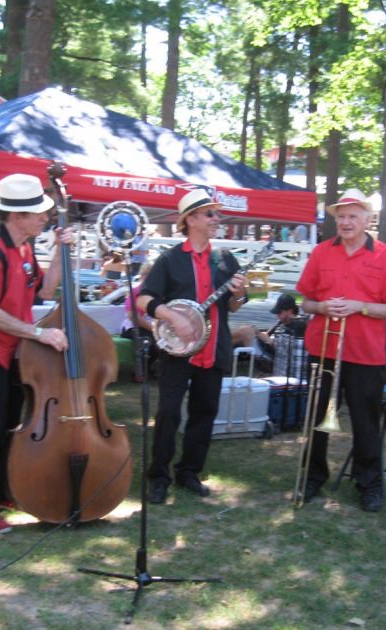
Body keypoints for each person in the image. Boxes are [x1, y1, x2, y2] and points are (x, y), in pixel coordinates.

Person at [0, 173, 73, 534]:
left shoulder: (24, 248)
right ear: (15, 215)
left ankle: (1, 491)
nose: (45, 217)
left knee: (9, 424)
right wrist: (39, 333)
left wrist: (59, 252)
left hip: (12, 350)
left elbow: (45, 291)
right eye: (37, 213)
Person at [136, 188, 248, 504]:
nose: (217, 219)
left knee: (205, 413)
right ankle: (159, 477)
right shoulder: (170, 260)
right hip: (176, 351)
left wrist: (239, 292)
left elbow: (235, 307)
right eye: (210, 214)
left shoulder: (226, 259)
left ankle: (189, 472)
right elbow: (144, 299)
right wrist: (172, 315)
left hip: (214, 349)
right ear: (191, 219)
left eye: (216, 213)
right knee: (169, 412)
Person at [295, 188, 386, 511]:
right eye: (341, 216)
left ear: (368, 220)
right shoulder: (321, 252)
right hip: (324, 349)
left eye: (353, 216)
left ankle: (368, 483)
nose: (346, 222)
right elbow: (305, 302)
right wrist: (323, 306)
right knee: (316, 419)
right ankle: (312, 477)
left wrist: (361, 307)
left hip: (365, 353)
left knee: (365, 423)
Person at [231, 293, 307, 373]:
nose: (277, 315)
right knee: (245, 331)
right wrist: (261, 334)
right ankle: (223, 351)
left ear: (290, 311)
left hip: (276, 361)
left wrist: (260, 335)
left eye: (279, 312)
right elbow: (269, 335)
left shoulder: (298, 325)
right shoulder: (282, 322)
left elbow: (285, 349)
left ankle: (221, 350)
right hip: (268, 352)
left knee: (245, 331)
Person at [121, 262, 158, 381]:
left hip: (151, 326)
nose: (146, 277)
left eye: (150, 274)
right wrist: (153, 329)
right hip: (133, 327)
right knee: (148, 340)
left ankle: (149, 369)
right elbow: (133, 316)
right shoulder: (135, 291)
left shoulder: (158, 293)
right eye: (144, 274)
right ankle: (140, 372)